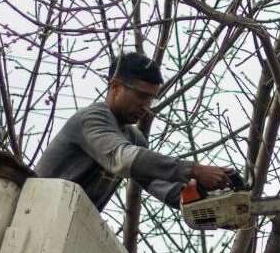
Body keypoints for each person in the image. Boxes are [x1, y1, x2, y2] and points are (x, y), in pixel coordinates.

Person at [36, 51, 233, 210]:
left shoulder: (133, 138)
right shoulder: (92, 118)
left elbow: (164, 186)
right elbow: (123, 159)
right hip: (34, 214)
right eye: (141, 96)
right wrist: (195, 170)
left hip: (68, 226)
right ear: (115, 87)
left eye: (151, 99)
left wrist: (209, 197)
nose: (146, 106)